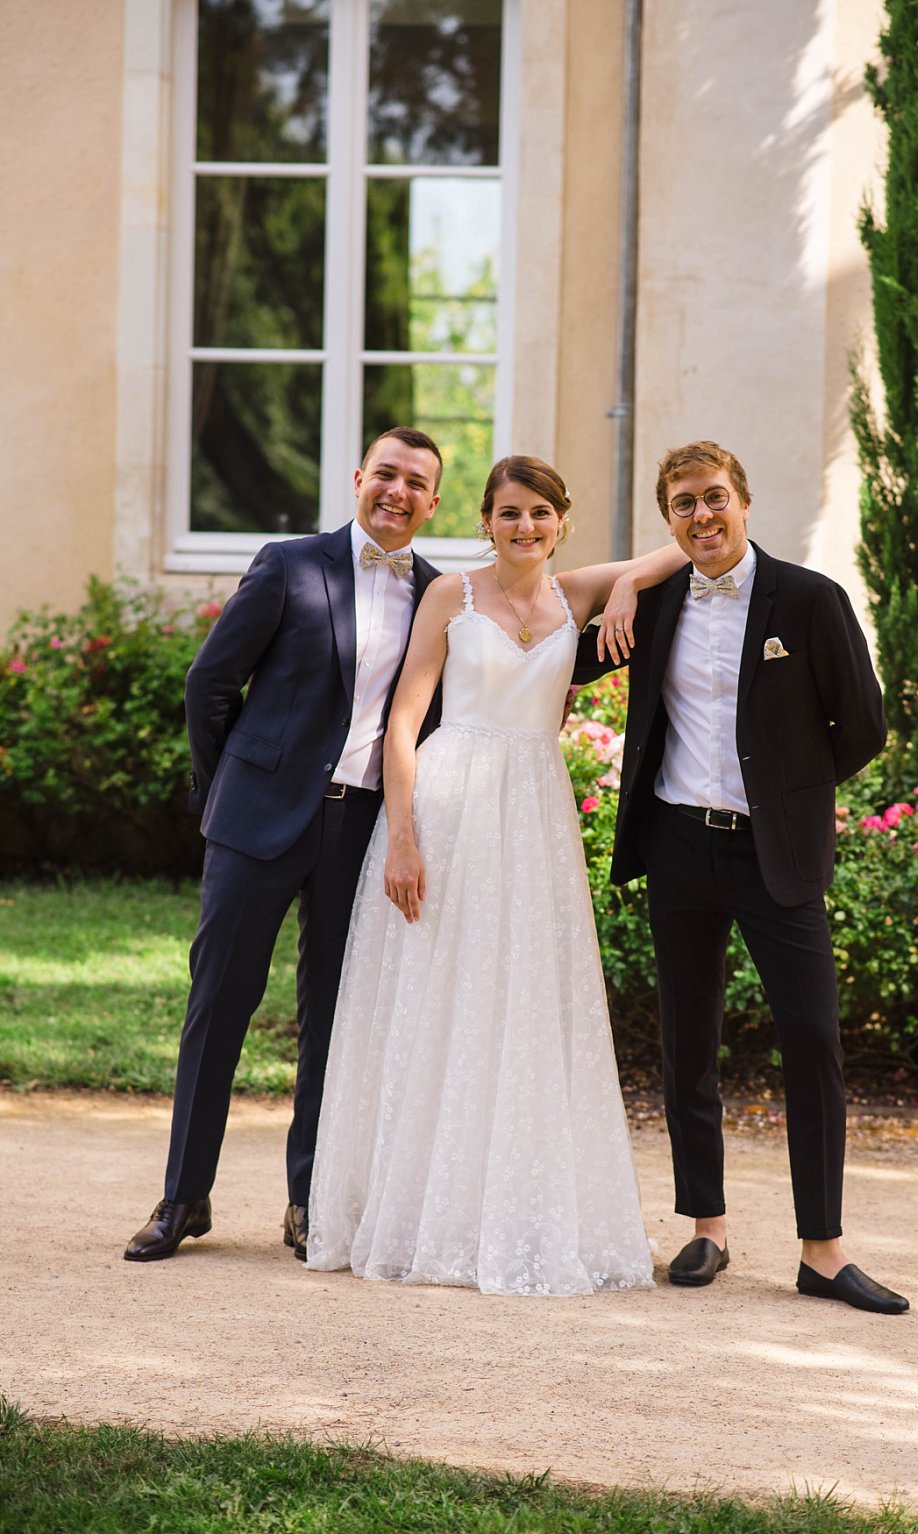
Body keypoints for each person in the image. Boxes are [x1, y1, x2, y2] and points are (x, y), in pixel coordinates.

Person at [305, 455, 684, 1295]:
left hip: (533, 814)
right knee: (439, 996)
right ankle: (417, 1208)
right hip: (448, 803)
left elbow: (682, 549)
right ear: (484, 521)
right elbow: (404, 723)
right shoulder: (454, 596)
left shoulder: (576, 595)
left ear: (562, 522)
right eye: (509, 514)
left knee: (521, 1002)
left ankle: (504, 1205)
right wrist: (401, 837)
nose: (525, 528)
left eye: (541, 514)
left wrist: (624, 591)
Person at [580, 440, 903, 1313]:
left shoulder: (808, 599)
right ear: (668, 520)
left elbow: (864, 726)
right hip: (679, 847)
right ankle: (705, 1228)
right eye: (683, 505)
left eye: (714, 498)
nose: (702, 516)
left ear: (745, 502)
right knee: (689, 1043)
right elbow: (549, 637)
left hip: (777, 854)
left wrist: (790, 792)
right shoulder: (651, 607)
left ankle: (823, 1251)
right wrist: (623, 583)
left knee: (814, 1040)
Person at [126, 428, 447, 1264]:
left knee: (333, 1023)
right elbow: (210, 682)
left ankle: (309, 1201)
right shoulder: (289, 564)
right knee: (219, 1007)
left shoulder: (443, 596)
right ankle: (183, 1198)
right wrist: (224, 791)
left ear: (434, 503)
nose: (398, 492)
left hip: (362, 832)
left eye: (416, 483)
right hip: (256, 825)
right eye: (386, 475)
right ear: (358, 479)